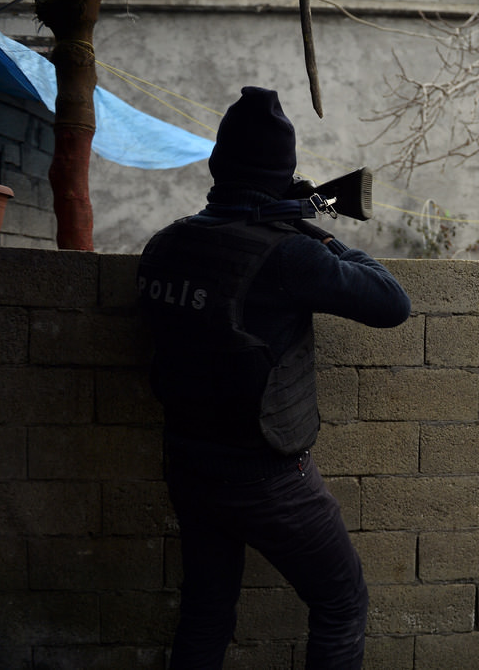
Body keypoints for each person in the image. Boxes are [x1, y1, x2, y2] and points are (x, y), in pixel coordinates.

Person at [137, 86, 411, 669]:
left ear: (218, 167)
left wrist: (283, 214)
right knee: (341, 603)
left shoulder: (167, 243)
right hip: (266, 477)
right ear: (282, 173)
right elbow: (391, 302)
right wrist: (316, 226)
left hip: (187, 462)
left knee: (206, 613)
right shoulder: (292, 254)